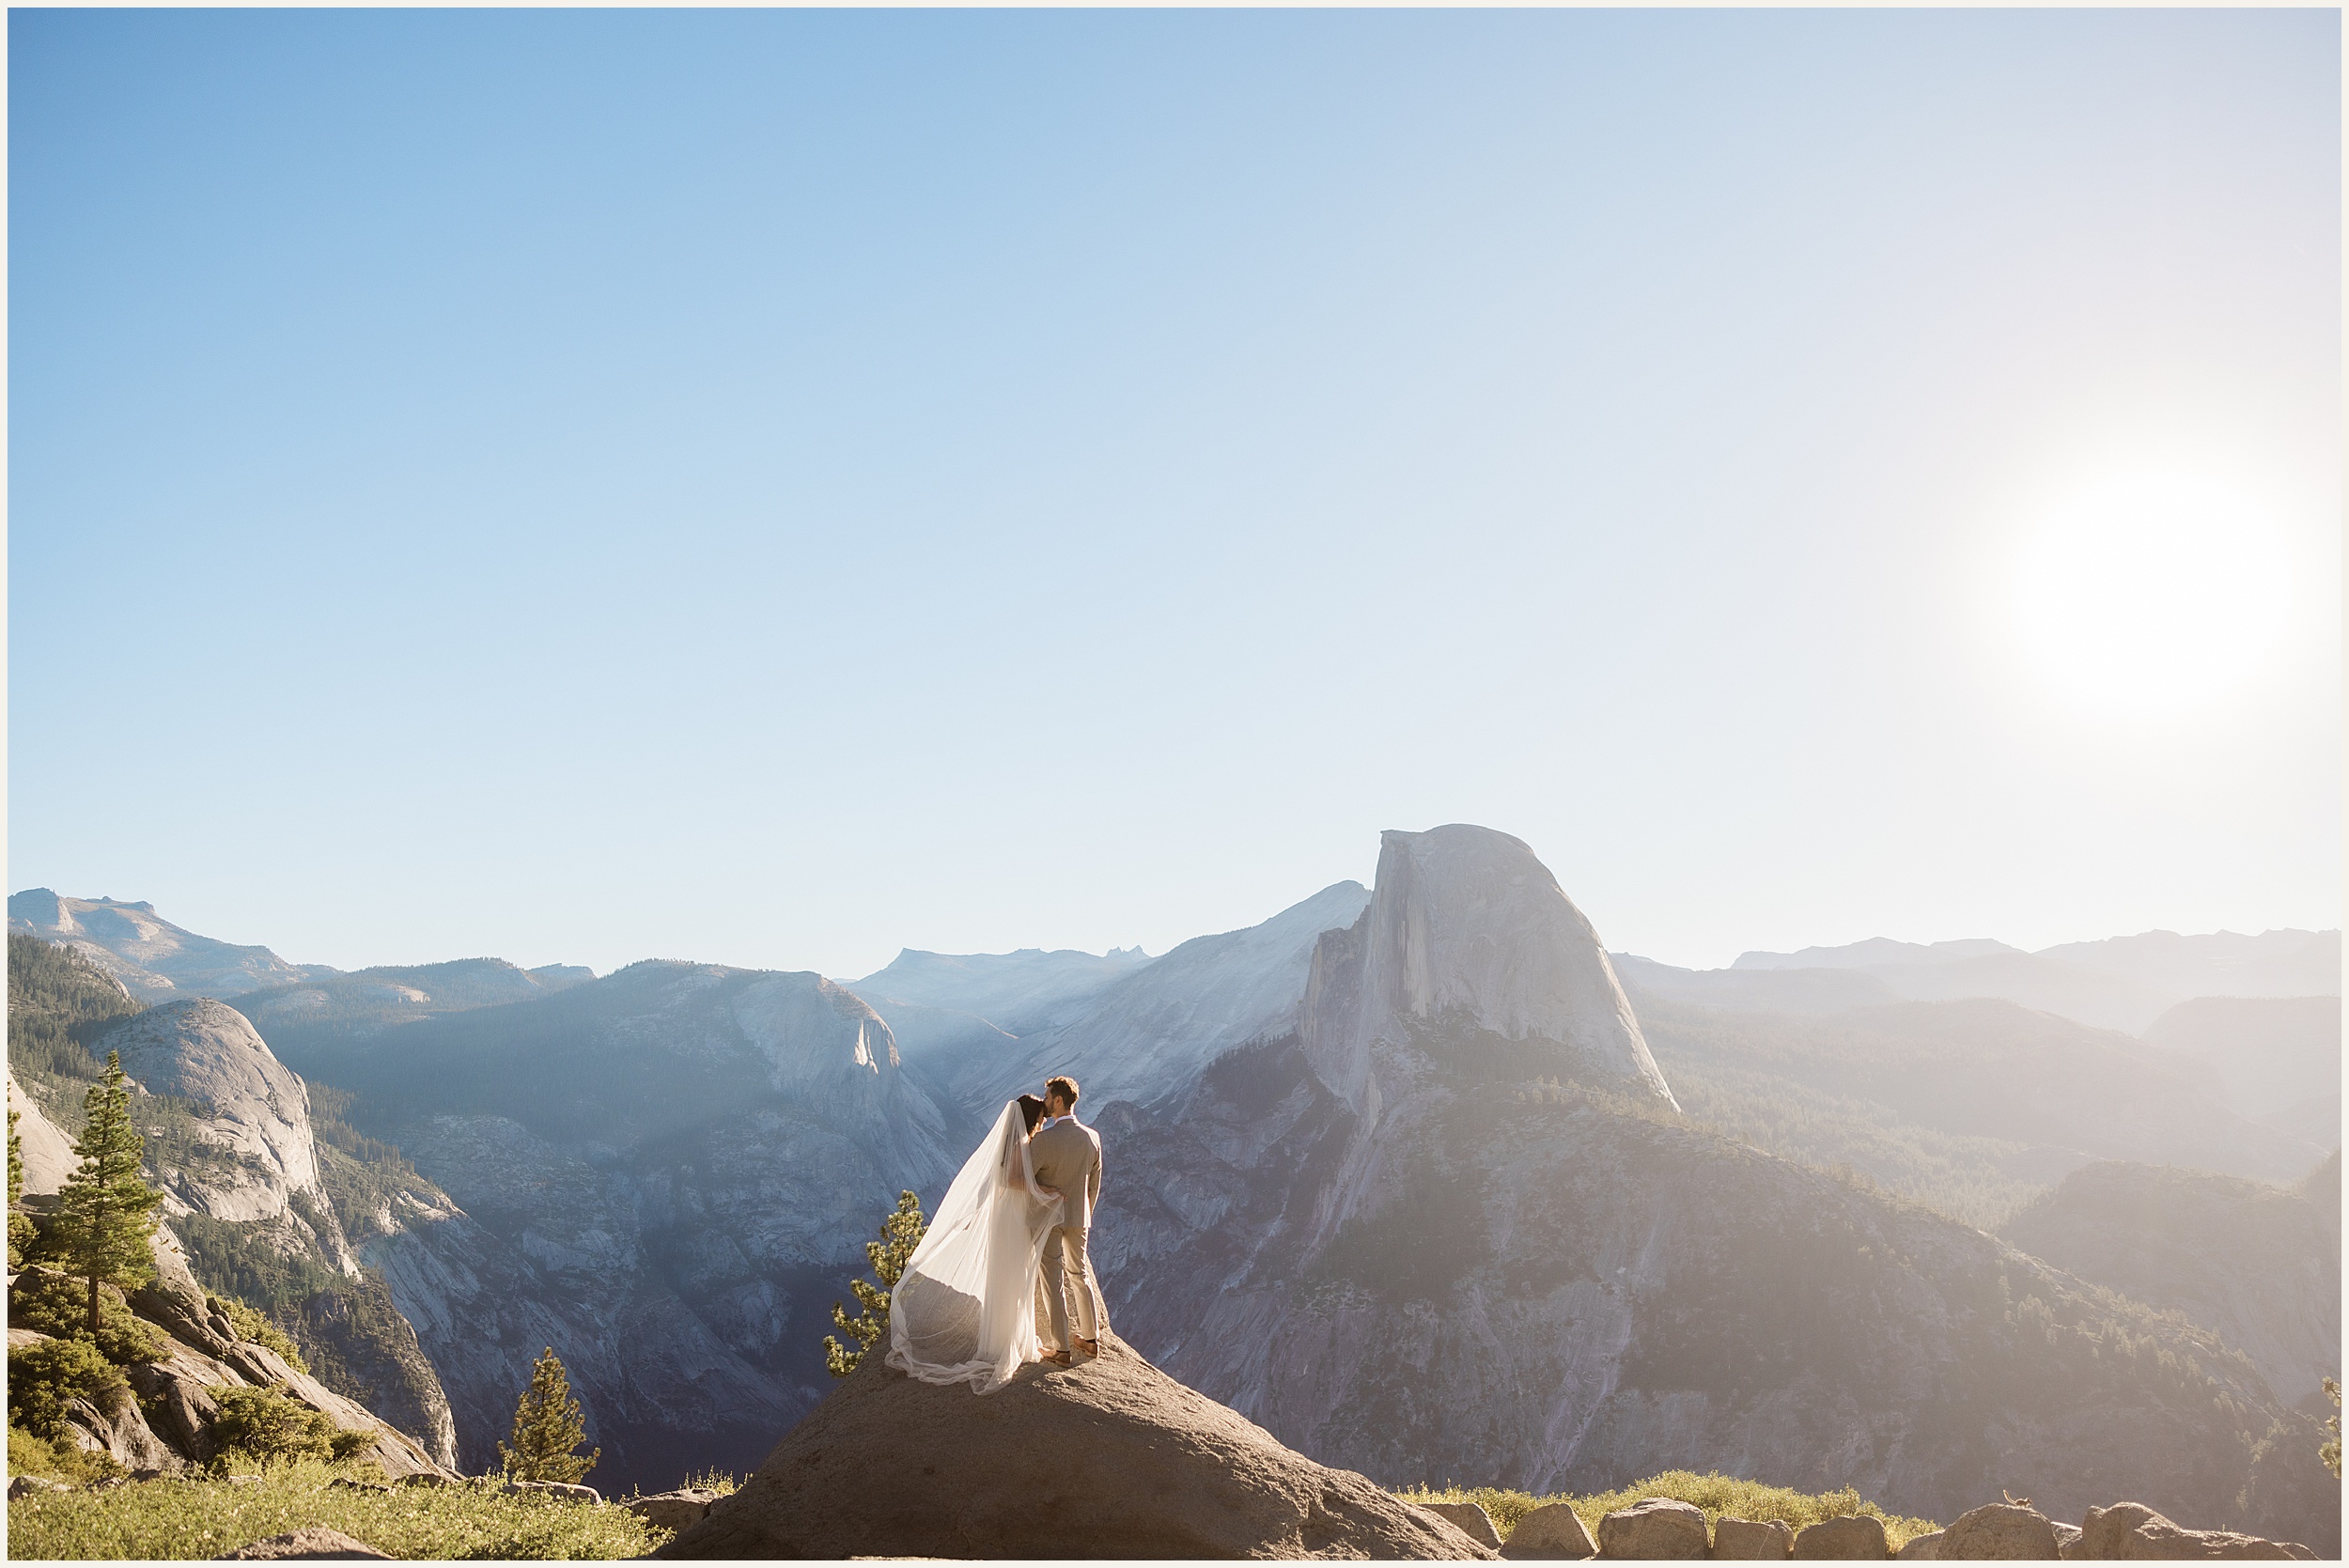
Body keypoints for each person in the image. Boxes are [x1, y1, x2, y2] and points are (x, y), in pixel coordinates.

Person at [1025, 1075, 1107, 1366]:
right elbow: (1094, 1184)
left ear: (1058, 1100)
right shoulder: (1092, 1137)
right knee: (1079, 1274)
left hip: (1048, 1217)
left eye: (1047, 1098)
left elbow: (1025, 1179)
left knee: (1052, 1280)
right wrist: (1085, 1213)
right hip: (1078, 1216)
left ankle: (1061, 1348)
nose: (1045, 1104)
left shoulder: (1044, 1141)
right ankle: (1091, 1339)